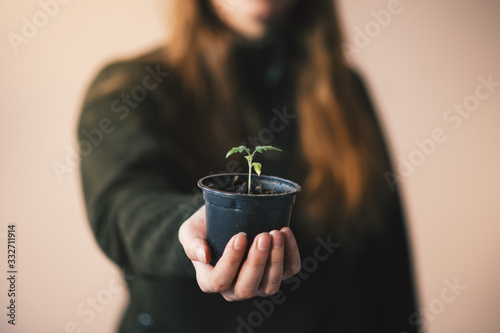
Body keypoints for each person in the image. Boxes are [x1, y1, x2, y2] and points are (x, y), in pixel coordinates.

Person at [78, 0, 419, 332]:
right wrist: (204, 228)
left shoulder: (345, 92)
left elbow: (385, 261)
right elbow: (124, 207)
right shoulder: (130, 89)